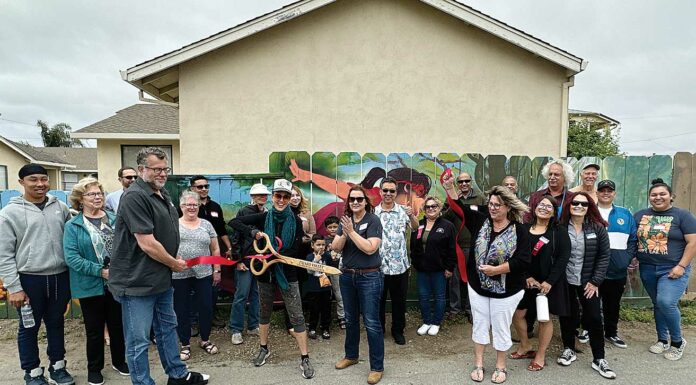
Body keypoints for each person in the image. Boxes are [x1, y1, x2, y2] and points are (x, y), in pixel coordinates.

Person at [108, 147, 209, 385]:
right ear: (142, 169)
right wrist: (174, 263)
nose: (162, 174)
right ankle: (142, 382)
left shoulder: (162, 195)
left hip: (160, 279)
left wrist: (171, 265)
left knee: (167, 329)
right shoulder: (135, 196)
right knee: (138, 341)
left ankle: (177, 375)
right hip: (137, 283)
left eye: (166, 169)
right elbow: (147, 243)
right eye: (157, 169)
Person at [442, 174, 530, 384]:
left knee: (500, 326)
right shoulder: (481, 219)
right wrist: (449, 187)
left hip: (506, 290)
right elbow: (460, 208)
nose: (492, 208)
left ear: (508, 207)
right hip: (478, 286)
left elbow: (523, 261)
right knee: (480, 324)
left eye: (497, 205)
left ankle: (501, 366)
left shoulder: (520, 230)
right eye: (490, 204)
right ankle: (479, 363)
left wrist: (497, 269)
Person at [229, 179, 314, 379]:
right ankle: (264, 348)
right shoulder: (263, 217)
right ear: (273, 197)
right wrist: (254, 233)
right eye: (278, 195)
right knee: (264, 312)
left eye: (286, 196)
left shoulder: (296, 220)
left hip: (287, 273)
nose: (282, 199)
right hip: (265, 273)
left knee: (297, 315)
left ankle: (304, 357)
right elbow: (233, 223)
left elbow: (298, 250)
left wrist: (278, 254)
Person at [0, 164, 74, 385]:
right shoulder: (8, 214)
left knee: (56, 322)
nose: (40, 184)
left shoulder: (60, 207)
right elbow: (4, 254)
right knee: (29, 327)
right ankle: (32, 371)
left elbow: (71, 241)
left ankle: (58, 366)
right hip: (29, 279)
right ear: (21, 182)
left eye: (44, 179)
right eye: (33, 179)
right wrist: (14, 287)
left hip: (60, 276)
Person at [64, 177, 129, 385]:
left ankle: (120, 361)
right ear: (80, 199)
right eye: (92, 194)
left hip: (117, 282)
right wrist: (100, 271)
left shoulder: (115, 218)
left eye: (100, 193)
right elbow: (72, 257)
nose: (97, 197)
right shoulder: (73, 226)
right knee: (94, 329)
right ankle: (94, 369)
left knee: (118, 325)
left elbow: (127, 246)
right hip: (90, 285)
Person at [634, 178, 696, 361]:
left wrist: (681, 266)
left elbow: (693, 243)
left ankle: (677, 342)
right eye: (654, 195)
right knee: (658, 304)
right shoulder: (640, 215)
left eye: (662, 194)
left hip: (673, 268)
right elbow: (634, 240)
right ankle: (662, 339)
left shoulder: (683, 216)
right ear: (649, 197)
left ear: (671, 196)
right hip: (647, 267)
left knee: (666, 302)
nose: (658, 197)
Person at [557, 191, 616, 379]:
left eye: (584, 204)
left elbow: (604, 256)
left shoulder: (597, 228)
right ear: (569, 205)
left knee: (594, 318)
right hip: (565, 280)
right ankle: (568, 349)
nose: (579, 207)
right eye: (575, 203)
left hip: (588, 282)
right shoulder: (559, 227)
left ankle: (599, 358)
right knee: (567, 316)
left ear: (589, 207)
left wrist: (595, 280)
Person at [510, 195, 570, 371]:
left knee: (544, 318)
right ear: (534, 208)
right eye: (541, 205)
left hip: (549, 283)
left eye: (549, 206)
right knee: (518, 315)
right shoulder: (523, 229)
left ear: (554, 213)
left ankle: (540, 355)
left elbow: (563, 258)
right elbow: (516, 255)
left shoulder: (559, 232)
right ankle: (525, 346)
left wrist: (549, 281)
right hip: (526, 280)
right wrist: (527, 276)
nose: (544, 208)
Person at [332, 186, 384, 385]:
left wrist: (351, 232)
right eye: (352, 199)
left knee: (371, 322)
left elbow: (370, 248)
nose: (355, 202)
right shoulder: (345, 221)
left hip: (369, 277)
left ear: (365, 201)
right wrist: (345, 232)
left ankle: (377, 367)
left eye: (359, 199)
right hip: (347, 276)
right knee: (351, 319)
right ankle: (351, 355)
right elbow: (335, 247)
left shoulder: (373, 220)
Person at [173, 191, 221, 361]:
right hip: (179, 274)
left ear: (199, 206)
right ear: (181, 206)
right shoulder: (173, 225)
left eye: (195, 204)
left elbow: (215, 249)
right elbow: (166, 247)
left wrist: (217, 270)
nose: (191, 207)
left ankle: (205, 340)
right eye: (188, 204)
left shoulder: (207, 225)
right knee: (181, 309)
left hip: (204, 273)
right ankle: (185, 344)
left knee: (206, 307)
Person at [376, 177, 418, 345]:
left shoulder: (403, 211)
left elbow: (415, 228)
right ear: (380, 192)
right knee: (378, 302)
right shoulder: (373, 213)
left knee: (399, 302)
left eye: (391, 191)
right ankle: (378, 330)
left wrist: (412, 215)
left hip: (400, 267)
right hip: (378, 267)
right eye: (385, 190)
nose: (388, 193)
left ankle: (398, 331)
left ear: (396, 192)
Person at [596, 179, 637, 348]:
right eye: (602, 190)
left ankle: (611, 333)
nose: (606, 193)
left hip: (617, 269)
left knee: (612, 303)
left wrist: (625, 259)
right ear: (597, 193)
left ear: (614, 193)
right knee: (589, 303)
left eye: (609, 190)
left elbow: (633, 239)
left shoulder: (624, 214)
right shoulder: (590, 212)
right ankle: (587, 330)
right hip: (593, 268)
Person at [186, 176, 230, 329]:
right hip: (193, 253)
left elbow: (222, 230)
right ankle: (192, 320)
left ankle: (210, 315)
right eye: (200, 187)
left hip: (213, 251)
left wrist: (229, 247)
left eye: (206, 186)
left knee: (214, 284)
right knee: (192, 288)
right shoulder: (186, 207)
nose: (204, 189)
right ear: (192, 188)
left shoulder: (215, 206)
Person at [441, 171, 485, 321]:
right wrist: (453, 203)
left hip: (474, 247)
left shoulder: (480, 198)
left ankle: (470, 309)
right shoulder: (452, 199)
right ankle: (455, 309)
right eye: (460, 182)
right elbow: (444, 218)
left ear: (471, 182)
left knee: (472, 279)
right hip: (456, 247)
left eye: (466, 181)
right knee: (454, 280)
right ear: (457, 184)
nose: (464, 184)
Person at [228, 183, 267, 345]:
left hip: (260, 261)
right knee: (241, 294)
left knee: (256, 295)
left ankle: (252, 326)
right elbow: (236, 237)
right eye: (259, 195)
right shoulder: (244, 212)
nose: (262, 197)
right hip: (244, 260)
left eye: (264, 195)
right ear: (252, 196)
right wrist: (237, 261)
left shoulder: (266, 213)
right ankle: (236, 329)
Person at [410, 196, 455, 337]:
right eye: (428, 206)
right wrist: (416, 262)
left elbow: (452, 249)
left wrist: (449, 268)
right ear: (424, 209)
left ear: (439, 207)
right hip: (422, 269)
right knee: (423, 296)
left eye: (434, 206)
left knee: (439, 297)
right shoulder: (419, 224)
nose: (431, 209)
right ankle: (427, 321)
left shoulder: (447, 226)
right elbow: (413, 245)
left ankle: (436, 322)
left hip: (439, 269)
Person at [304, 235, 333, 340]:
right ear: (312, 245)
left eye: (323, 245)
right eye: (318, 245)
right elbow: (309, 271)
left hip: (325, 287)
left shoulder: (327, 256)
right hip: (313, 288)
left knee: (326, 309)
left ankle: (325, 328)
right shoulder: (309, 257)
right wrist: (315, 260)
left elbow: (331, 269)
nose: (321, 247)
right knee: (314, 309)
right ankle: (312, 328)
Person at [323, 215, 346, 329]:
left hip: (338, 271)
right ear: (326, 229)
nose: (333, 229)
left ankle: (342, 317)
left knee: (339, 295)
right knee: (326, 295)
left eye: (335, 227)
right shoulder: (323, 240)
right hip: (325, 272)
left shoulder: (342, 238)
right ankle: (325, 319)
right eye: (330, 227)